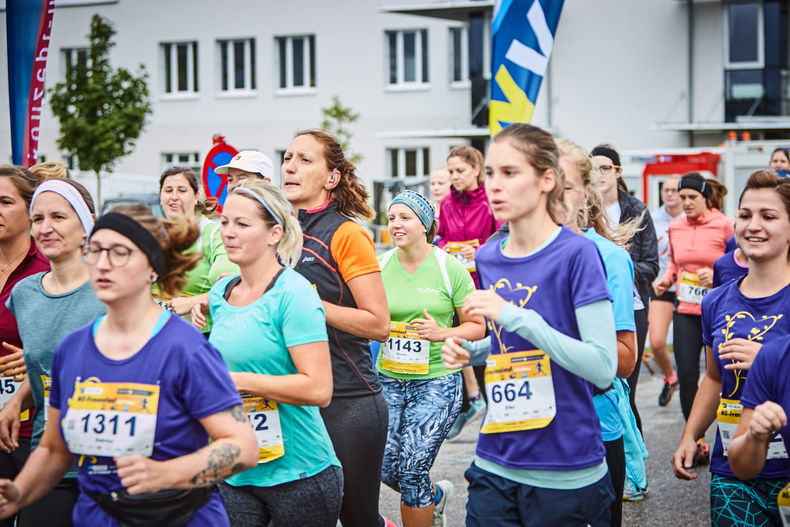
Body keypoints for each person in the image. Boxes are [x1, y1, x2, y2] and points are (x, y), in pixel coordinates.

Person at [0, 207, 258, 526]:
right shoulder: (72, 349)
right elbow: (54, 450)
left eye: (120, 253)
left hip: (180, 515)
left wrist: (165, 473)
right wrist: (20, 491)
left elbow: (242, 447)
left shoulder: (185, 349)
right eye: (95, 251)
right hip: (100, 516)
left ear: (152, 267)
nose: (103, 264)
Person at [442, 124, 617, 526]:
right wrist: (472, 351)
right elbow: (514, 345)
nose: (495, 186)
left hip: (565, 470)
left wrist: (513, 315)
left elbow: (603, 368)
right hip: (496, 461)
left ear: (546, 180)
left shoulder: (579, 254)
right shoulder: (488, 256)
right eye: (490, 173)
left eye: (510, 173)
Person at [192, 180, 342, 526]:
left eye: (242, 224)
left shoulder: (294, 294)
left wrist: (239, 381)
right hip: (236, 471)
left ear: (275, 233)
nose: (228, 232)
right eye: (225, 221)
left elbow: (319, 389)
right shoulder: (220, 293)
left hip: (299, 473)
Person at [281, 130, 390, 527]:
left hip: (348, 401)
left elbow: (379, 324)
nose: (290, 166)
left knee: (357, 519)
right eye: (288, 157)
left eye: (305, 160)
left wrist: (310, 305)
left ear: (332, 178)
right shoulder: (277, 236)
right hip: (293, 402)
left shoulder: (346, 234)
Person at [672, 170, 790, 526]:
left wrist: (769, 362)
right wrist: (690, 435)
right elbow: (712, 378)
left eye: (768, 216)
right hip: (732, 468)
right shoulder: (717, 301)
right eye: (745, 215)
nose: (753, 225)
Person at [0, 179, 105, 526]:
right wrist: (17, 401)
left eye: (58, 217)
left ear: (86, 222)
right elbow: (47, 366)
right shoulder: (25, 294)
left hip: (112, 463)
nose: (46, 228)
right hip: (50, 459)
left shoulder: (114, 288)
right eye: (38, 218)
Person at [378, 190, 485, 527]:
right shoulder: (379, 265)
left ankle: (424, 500)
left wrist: (442, 333)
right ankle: (436, 495)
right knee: (381, 465)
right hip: (389, 378)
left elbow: (478, 326)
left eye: (404, 217)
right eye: (392, 217)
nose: (396, 224)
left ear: (425, 225)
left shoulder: (448, 267)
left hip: (436, 380)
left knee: (411, 470)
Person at [558, 138, 638, 523]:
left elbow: (623, 362)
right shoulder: (507, 254)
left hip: (593, 428)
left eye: (566, 185)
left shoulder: (610, 258)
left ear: (585, 194)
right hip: (528, 430)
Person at [655, 172, 733, 464]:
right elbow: (675, 262)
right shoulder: (675, 226)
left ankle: (729, 433)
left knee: (723, 375)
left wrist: (717, 276)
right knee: (687, 375)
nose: (685, 202)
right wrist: (667, 279)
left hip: (718, 311)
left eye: (692, 198)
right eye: (682, 197)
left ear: (705, 198)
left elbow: (739, 263)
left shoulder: (725, 225)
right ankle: (696, 438)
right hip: (686, 310)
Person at [593, 144, 658, 432]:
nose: (599, 174)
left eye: (605, 168)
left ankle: (634, 458)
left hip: (632, 304)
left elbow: (652, 265)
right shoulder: (583, 209)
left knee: (626, 388)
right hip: (593, 304)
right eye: (593, 168)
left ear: (618, 172)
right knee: (600, 386)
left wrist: (620, 265)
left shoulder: (636, 210)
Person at [437, 146, 500, 440]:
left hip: (486, 284)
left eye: (459, 171)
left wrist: (479, 250)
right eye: (450, 171)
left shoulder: (490, 200)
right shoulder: (448, 202)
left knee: (488, 348)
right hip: (456, 284)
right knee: (457, 345)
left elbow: (503, 238)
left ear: (476, 169)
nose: (454, 176)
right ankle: (470, 403)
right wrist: (444, 247)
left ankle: (494, 409)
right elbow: (443, 236)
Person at [0, 166, 49, 527]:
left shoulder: (49, 270)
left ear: (30, 210)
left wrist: (37, 356)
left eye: (4, 201)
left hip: (36, 431)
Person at [157, 167, 237, 335]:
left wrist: (193, 302)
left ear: (196, 196)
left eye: (182, 190)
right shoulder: (154, 236)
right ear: (160, 197)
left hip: (199, 337)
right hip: (156, 337)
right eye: (168, 190)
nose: (174, 197)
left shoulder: (213, 234)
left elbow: (236, 284)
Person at [649, 176, 682, 407]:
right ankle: (671, 377)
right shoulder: (652, 219)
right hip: (662, 286)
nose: (669, 194)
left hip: (690, 288)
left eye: (674, 190)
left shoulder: (690, 217)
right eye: (666, 190)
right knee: (657, 341)